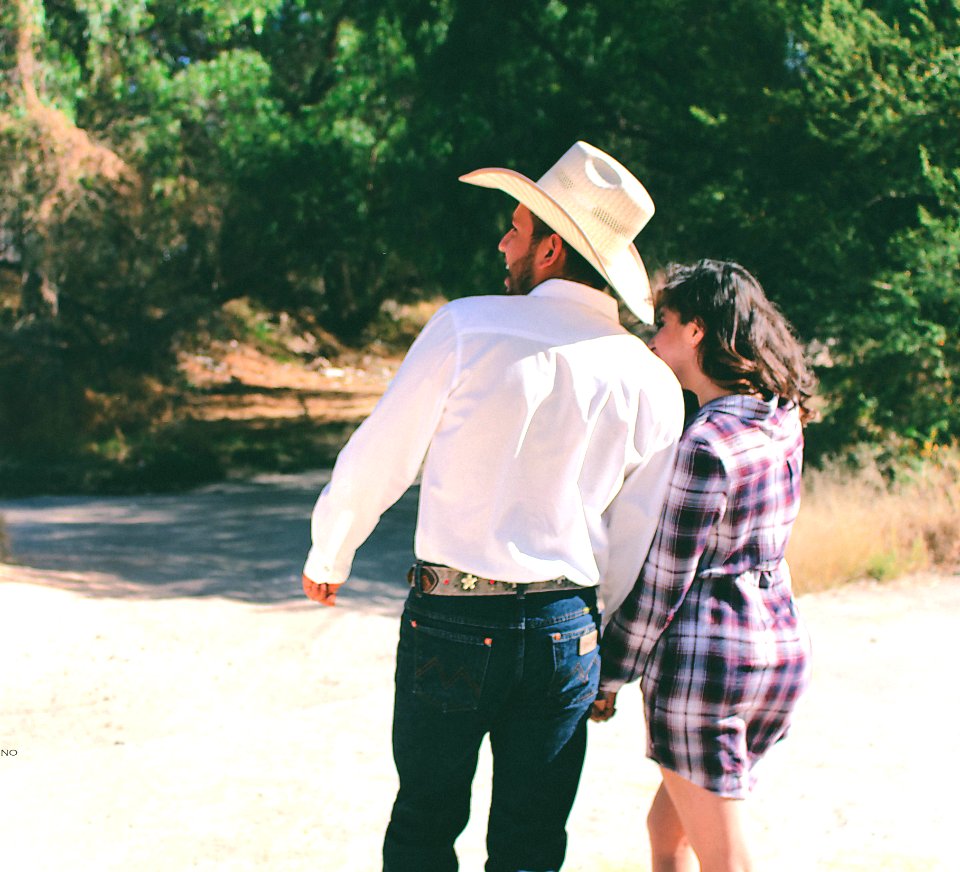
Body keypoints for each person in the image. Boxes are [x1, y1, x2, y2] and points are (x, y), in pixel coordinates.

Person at [301, 141, 684, 872]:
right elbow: (637, 537)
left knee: (423, 826)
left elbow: (384, 450)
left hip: (451, 616)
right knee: (532, 843)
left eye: (515, 227)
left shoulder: (467, 327)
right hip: (563, 631)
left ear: (549, 250)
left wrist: (333, 549)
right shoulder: (650, 379)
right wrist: (598, 642)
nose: (501, 240)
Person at [591, 259, 816, 872]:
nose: (651, 337)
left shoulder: (705, 445)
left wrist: (608, 676)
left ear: (695, 332)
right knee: (669, 836)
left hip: (706, 669)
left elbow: (666, 583)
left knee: (726, 861)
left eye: (661, 323)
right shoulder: (779, 415)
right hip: (778, 654)